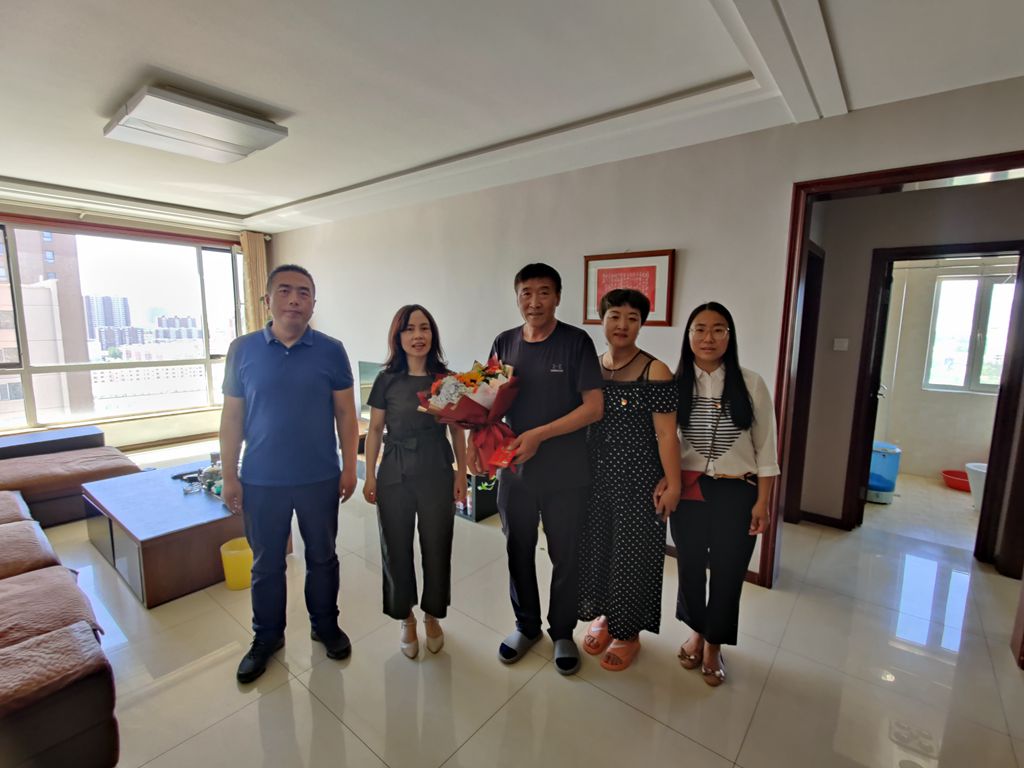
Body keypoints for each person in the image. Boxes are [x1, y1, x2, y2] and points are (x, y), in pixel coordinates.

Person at [220, 264, 360, 684]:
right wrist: (229, 475)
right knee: (266, 564)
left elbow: (346, 414)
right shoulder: (242, 349)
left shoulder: (331, 350)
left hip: (319, 476)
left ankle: (325, 625)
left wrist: (349, 467)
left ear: (313, 303)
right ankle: (266, 636)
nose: (295, 300)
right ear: (267, 300)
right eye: (284, 291)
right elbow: (232, 417)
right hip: (261, 479)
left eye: (304, 293)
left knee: (323, 557)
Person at [469, 263, 603, 676]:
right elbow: (487, 401)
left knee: (566, 554)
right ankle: (526, 626)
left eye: (544, 292)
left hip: (566, 473)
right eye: (526, 293)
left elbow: (594, 408)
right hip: (515, 472)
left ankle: (562, 632)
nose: (534, 301)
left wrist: (540, 435)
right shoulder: (504, 342)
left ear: (558, 297)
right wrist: (475, 441)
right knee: (518, 549)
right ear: (517, 297)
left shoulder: (576, 342)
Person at [660, 301, 779, 686]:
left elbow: (767, 450)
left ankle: (714, 644)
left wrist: (763, 502)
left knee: (729, 571)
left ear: (730, 336)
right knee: (691, 566)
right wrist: (666, 482)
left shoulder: (751, 383)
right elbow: (663, 440)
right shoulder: (674, 384)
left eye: (718, 329)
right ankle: (696, 631)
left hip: (737, 491)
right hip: (689, 489)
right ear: (688, 335)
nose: (708, 337)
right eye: (699, 328)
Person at [578, 289, 680, 671]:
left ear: (642, 324)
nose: (622, 325)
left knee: (632, 555)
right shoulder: (592, 366)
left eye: (632, 318)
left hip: (638, 479)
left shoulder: (656, 370)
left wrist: (674, 484)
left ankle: (629, 632)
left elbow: (667, 434)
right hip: (594, 476)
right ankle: (606, 616)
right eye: (615, 316)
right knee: (599, 547)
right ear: (601, 319)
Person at [362, 304, 467, 659]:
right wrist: (370, 475)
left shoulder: (447, 379)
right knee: (395, 546)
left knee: (437, 544)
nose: (418, 336)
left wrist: (461, 473)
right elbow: (375, 429)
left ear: (433, 334)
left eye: (424, 328)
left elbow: (457, 430)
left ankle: (432, 615)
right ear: (398, 336)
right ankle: (405, 617)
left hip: (436, 467)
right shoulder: (386, 380)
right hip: (395, 469)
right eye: (409, 329)